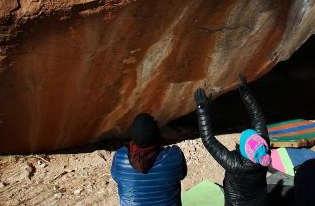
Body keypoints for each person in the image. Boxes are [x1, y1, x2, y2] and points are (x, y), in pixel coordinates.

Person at [194, 74, 271, 206]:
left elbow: (209, 141)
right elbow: (257, 117)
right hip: (260, 201)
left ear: (243, 151)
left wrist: (202, 110)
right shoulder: (264, 151)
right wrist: (246, 93)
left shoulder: (235, 164)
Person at [110, 112, 187, 206]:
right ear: (157, 135)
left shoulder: (120, 158)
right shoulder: (174, 156)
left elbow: (115, 177)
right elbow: (182, 174)